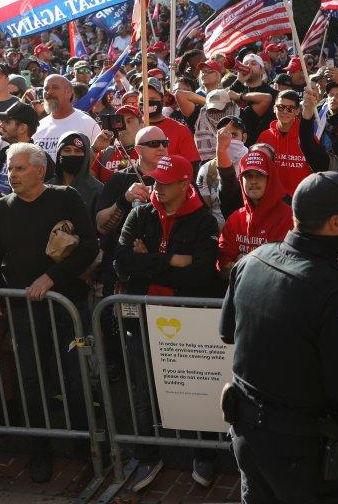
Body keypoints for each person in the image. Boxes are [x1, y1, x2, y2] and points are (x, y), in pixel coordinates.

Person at [220, 171, 338, 503]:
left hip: (248, 433)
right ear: (336, 224)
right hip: (298, 447)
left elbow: (227, 332)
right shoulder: (332, 292)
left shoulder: (252, 261)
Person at [0, 142, 99, 483]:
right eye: (9, 169)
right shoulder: (1, 209)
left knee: (74, 376)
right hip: (25, 310)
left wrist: (51, 277)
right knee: (31, 378)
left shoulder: (66, 198)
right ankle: (39, 449)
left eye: (19, 168)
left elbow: (89, 246)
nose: (12, 175)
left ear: (40, 171)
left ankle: (84, 444)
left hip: (68, 306)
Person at [114, 153, 222, 490]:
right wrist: (171, 261)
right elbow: (121, 262)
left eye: (165, 182)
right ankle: (148, 455)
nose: (157, 187)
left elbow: (201, 275)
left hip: (184, 315)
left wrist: (148, 260)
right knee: (142, 387)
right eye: (155, 180)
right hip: (142, 313)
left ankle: (204, 454)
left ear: (184, 183)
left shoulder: (203, 221)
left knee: (195, 386)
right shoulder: (141, 212)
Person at [218, 151, 292, 276]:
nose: (253, 181)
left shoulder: (287, 217)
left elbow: (282, 267)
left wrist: (241, 261)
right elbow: (222, 266)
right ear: (241, 180)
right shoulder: (235, 219)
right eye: (248, 176)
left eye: (260, 175)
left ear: (270, 178)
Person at [257, 88, 328, 195]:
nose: (285, 111)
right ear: (274, 108)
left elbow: (320, 171)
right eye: (280, 107)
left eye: (290, 108)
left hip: (301, 201)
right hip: (273, 201)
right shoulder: (264, 137)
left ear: (297, 110)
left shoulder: (306, 138)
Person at [32, 75, 102, 160]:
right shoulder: (39, 126)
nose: (49, 92)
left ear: (69, 92)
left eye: (55, 88)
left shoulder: (88, 124)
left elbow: (99, 160)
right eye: (46, 88)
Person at [55, 132, 103, 214]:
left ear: (86, 156)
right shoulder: (47, 187)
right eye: (67, 150)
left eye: (78, 151)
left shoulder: (98, 190)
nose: (72, 154)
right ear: (59, 154)